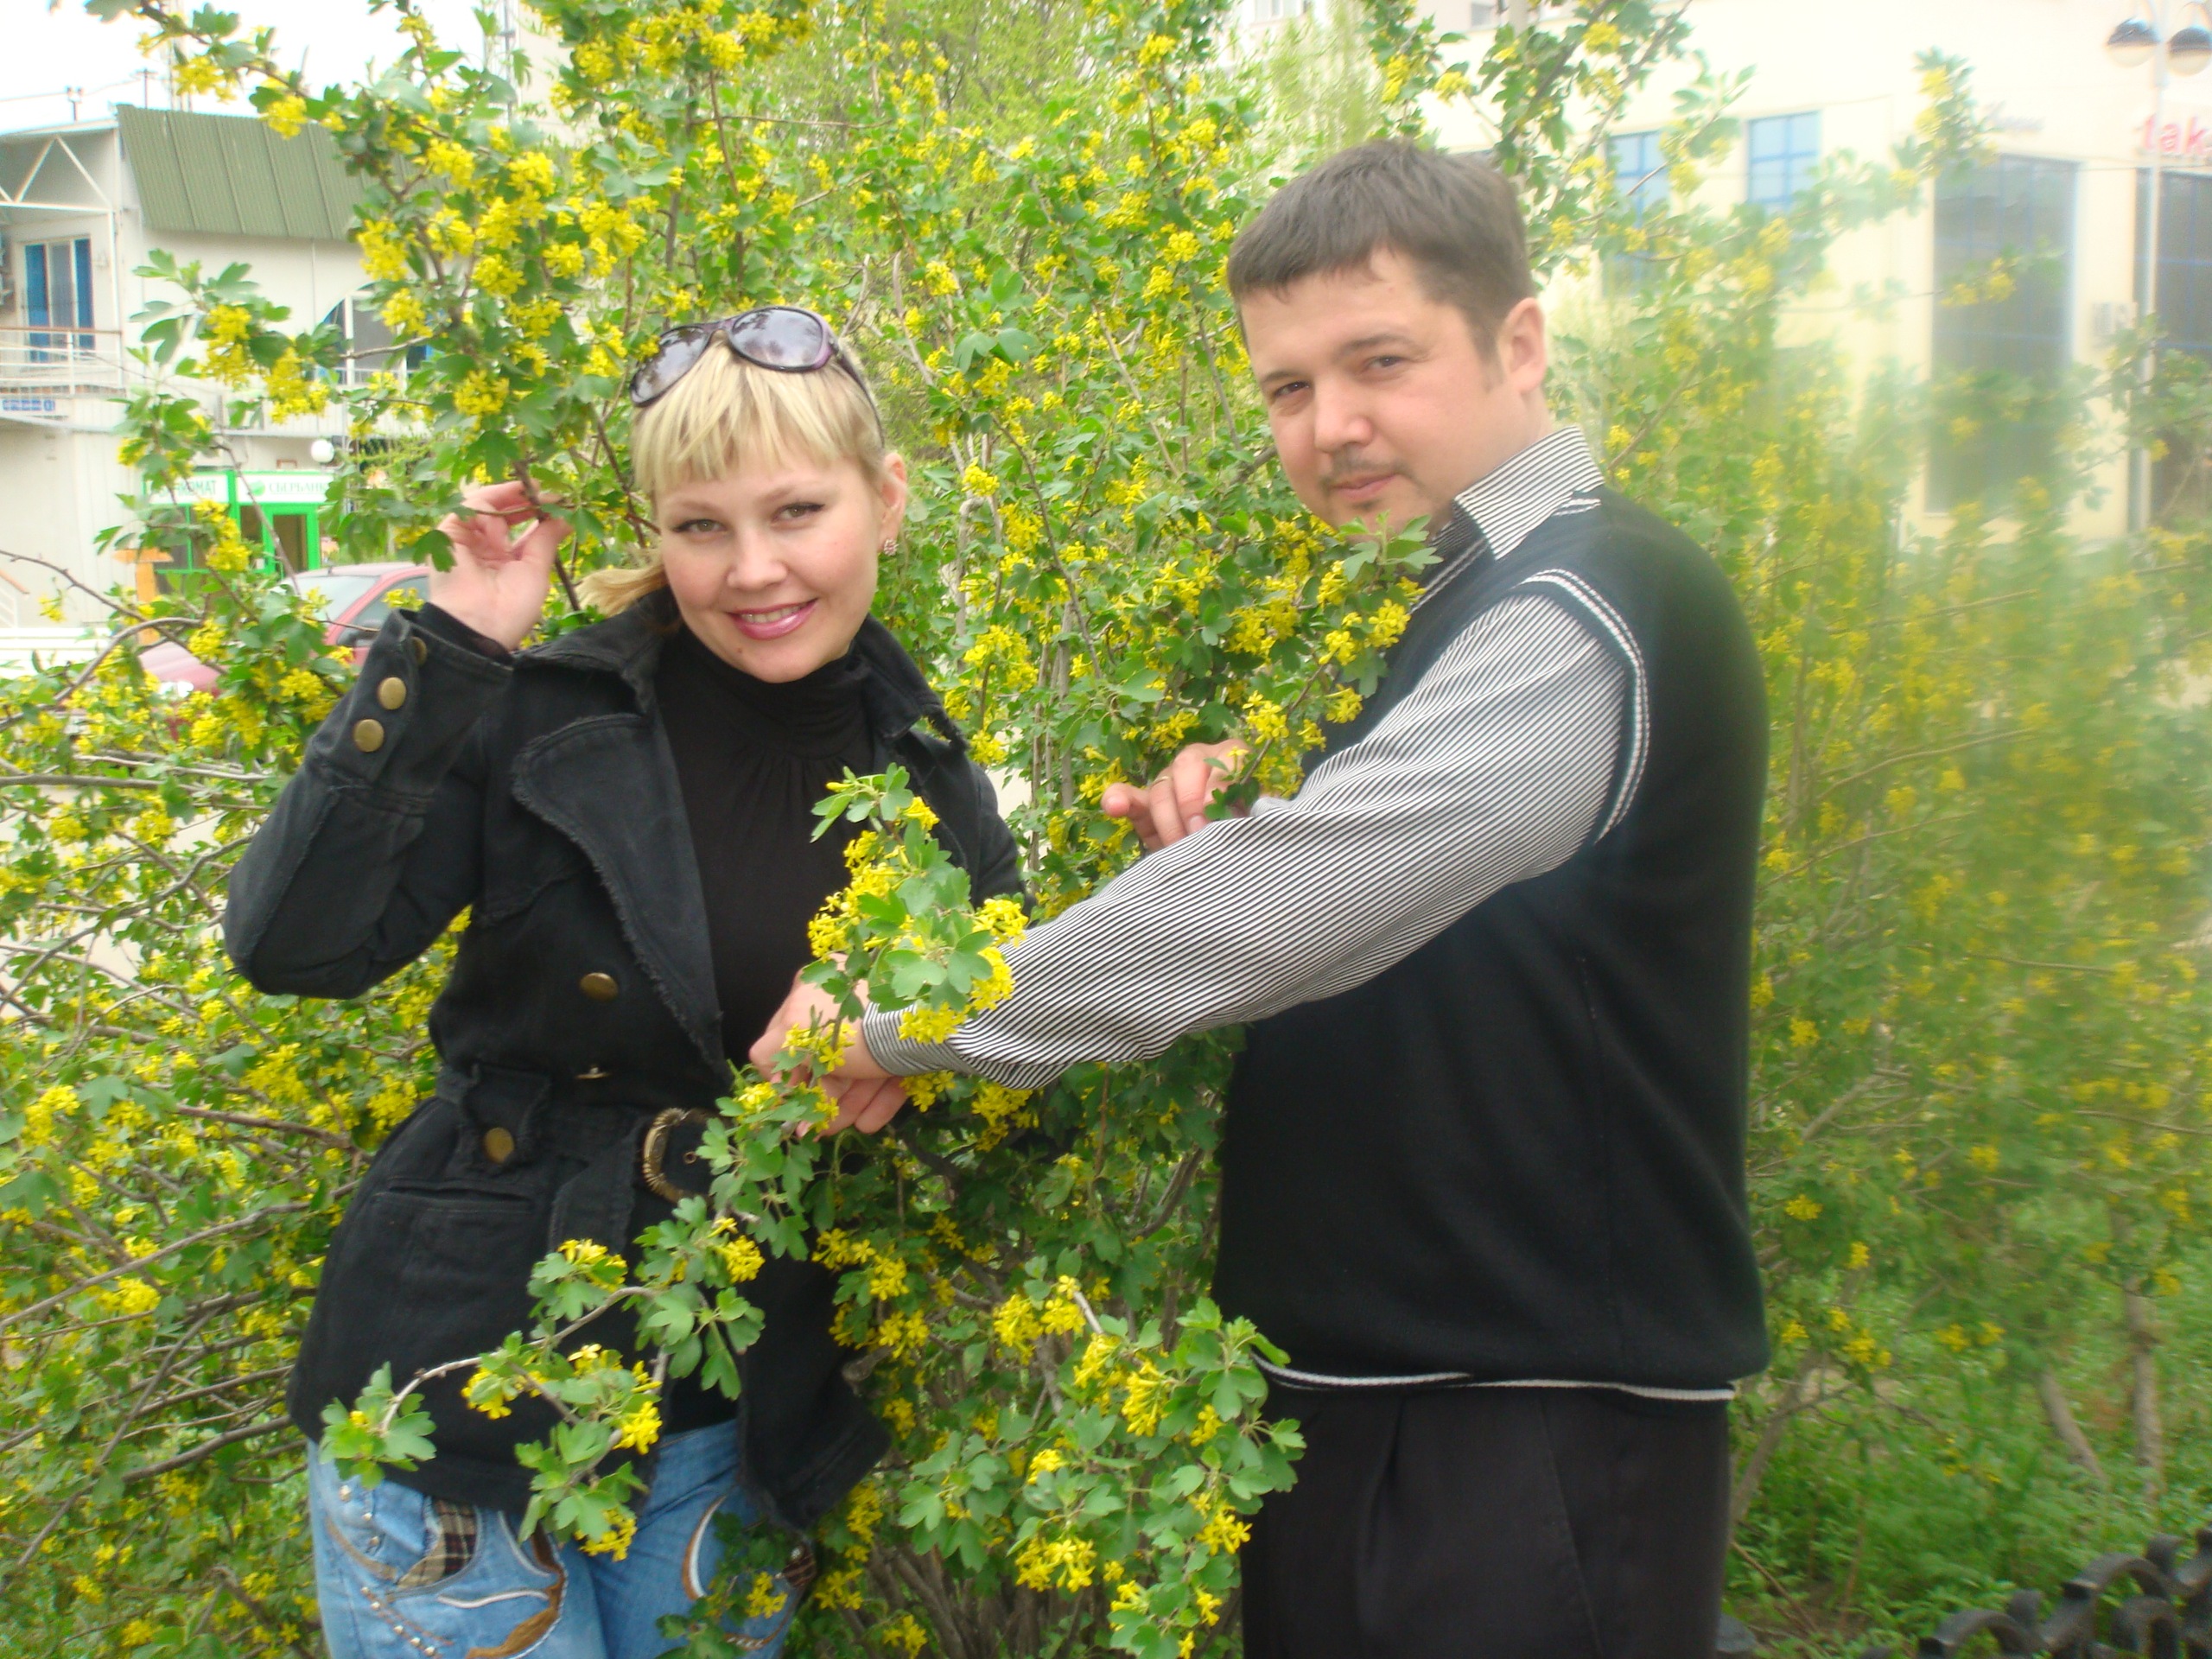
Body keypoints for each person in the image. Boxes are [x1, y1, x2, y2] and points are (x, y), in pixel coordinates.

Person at [753, 143, 1770, 1657]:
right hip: (1376, 1410)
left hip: (1525, 1435)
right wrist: (1260, 796)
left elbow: (1302, 897)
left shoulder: (1593, 602)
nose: (1330, 426)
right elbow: (1386, 884)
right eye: (1288, 387)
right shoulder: (1459, 597)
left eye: (1380, 362)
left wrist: (900, 1023)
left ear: (1519, 344)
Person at [225, 307, 1020, 1659]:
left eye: (797, 512)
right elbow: (293, 946)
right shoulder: (545, 708)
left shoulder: (934, 783)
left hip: (734, 1415)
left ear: (886, 501)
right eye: (700, 526)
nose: (753, 569)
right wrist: (451, 652)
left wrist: (903, 1035)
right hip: (464, 1392)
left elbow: (990, 1074)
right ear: (656, 533)